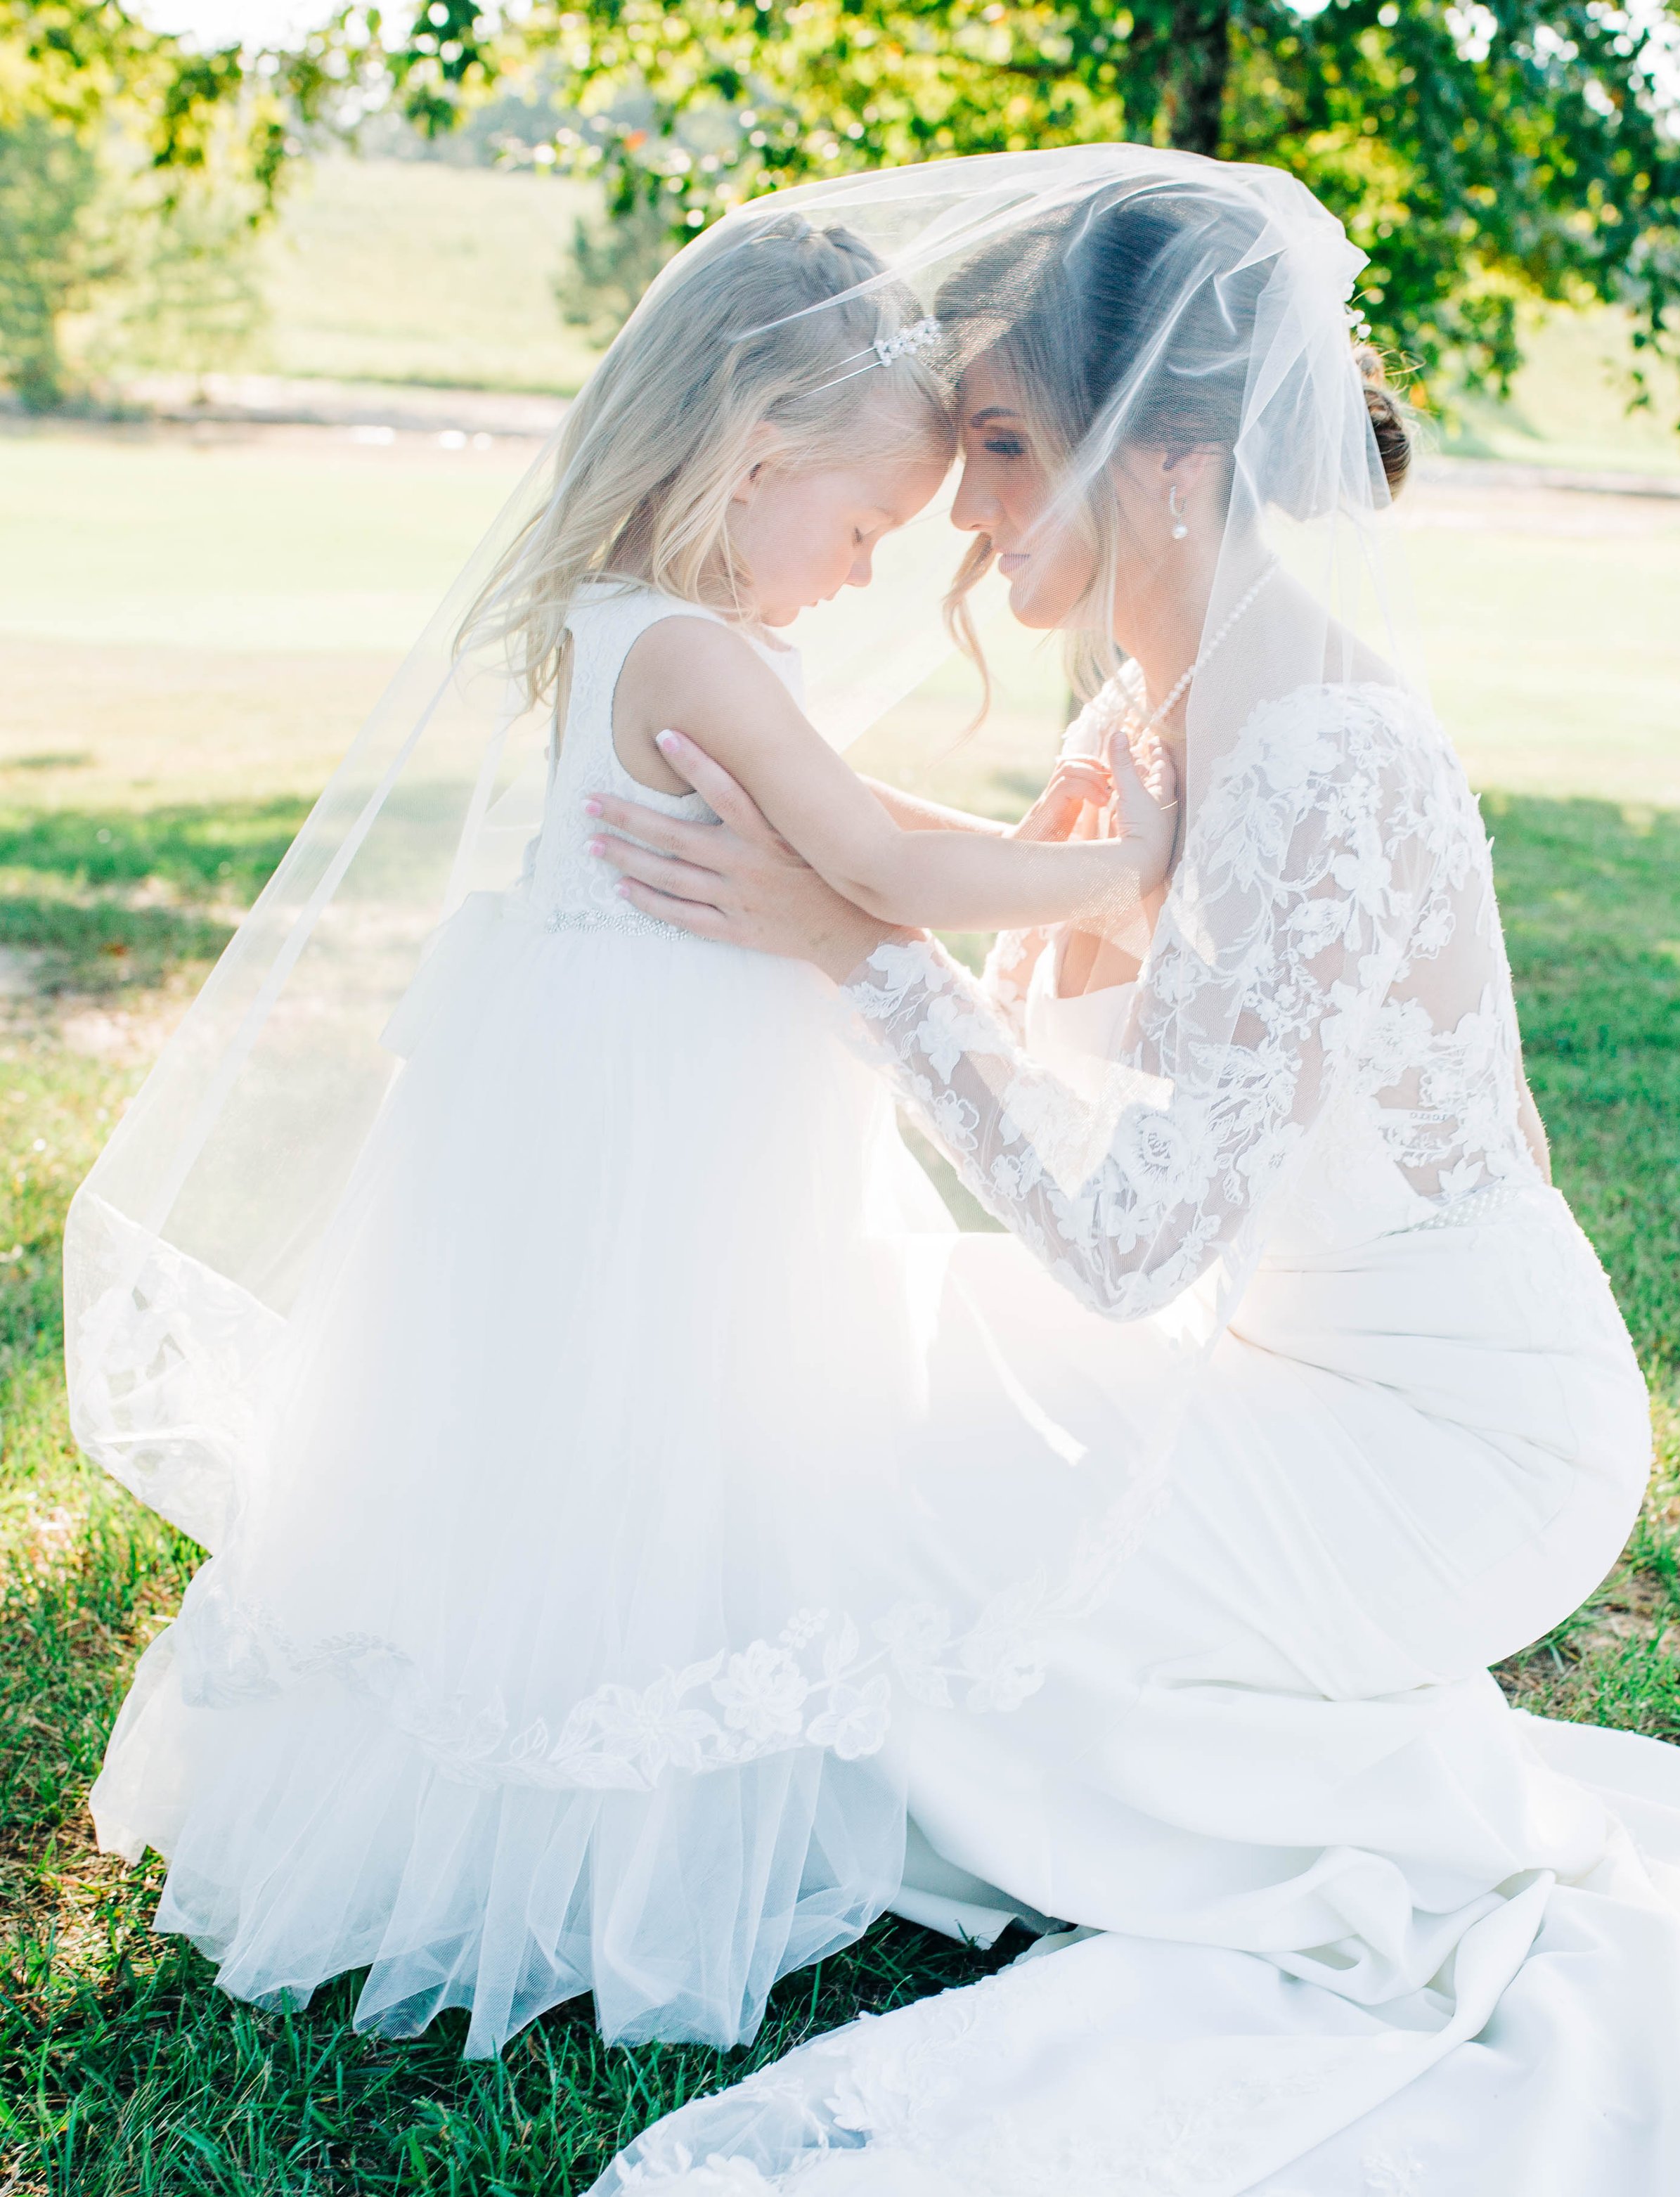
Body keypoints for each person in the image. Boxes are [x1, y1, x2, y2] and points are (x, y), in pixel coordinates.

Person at [576, 162, 1680, 2193]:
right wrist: (1034, 937)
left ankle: (1369, 1803)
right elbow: (1111, 1095)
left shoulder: (1312, 747)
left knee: (906, 1505)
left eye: (1008, 444)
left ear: (1173, 458)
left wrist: (856, 941)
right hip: (1287, 1370)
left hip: (1448, 1441)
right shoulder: (1161, 701)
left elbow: (1130, 1244)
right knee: (866, 1385)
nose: (960, 500)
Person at [72, 204, 1181, 2058]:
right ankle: (598, 1834)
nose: (861, 576)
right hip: (667, 1140)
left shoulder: (646, 630)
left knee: (625, 1442)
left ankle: (602, 1794)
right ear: (753, 457)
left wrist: (1033, 815)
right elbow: (882, 857)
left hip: (619, 1103)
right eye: (859, 532)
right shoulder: (693, 648)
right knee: (660, 1440)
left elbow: (854, 801)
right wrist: (1121, 858)